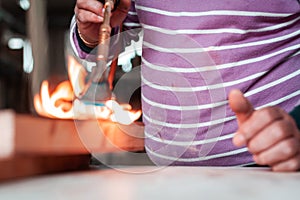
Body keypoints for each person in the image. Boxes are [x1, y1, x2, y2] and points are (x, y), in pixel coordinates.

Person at [70, 0, 300, 171]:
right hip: (166, 171)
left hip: (270, 166)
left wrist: (296, 128)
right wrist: (91, 32)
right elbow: (105, 39)